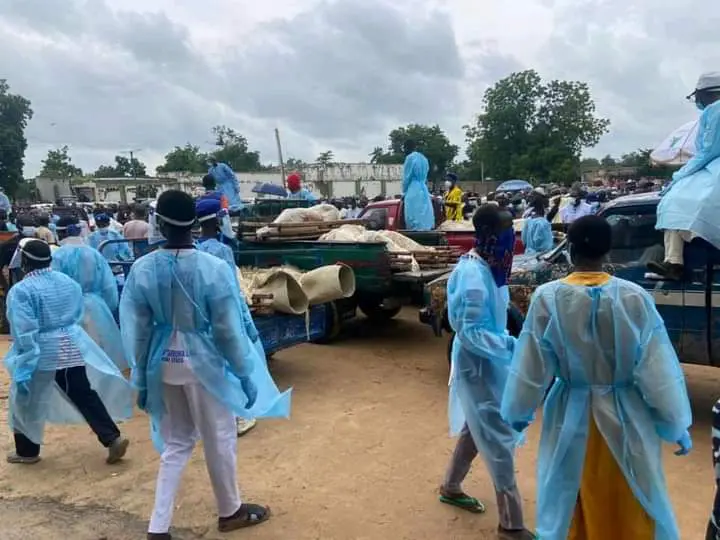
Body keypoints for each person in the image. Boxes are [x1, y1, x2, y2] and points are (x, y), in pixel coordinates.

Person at [501, 215, 692, 540]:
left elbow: (531, 367)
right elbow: (657, 370)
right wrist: (674, 423)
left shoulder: (549, 298)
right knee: (629, 493)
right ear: (608, 250)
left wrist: (517, 414)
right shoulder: (634, 297)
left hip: (570, 418)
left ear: (571, 250)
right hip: (627, 419)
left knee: (569, 495)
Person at [120, 190, 291, 539]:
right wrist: (244, 374)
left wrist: (140, 375)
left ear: (160, 224)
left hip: (161, 362)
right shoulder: (212, 268)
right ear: (195, 224)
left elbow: (136, 330)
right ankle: (230, 511)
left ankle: (158, 526)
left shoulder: (142, 268)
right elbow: (228, 330)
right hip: (203, 363)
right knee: (219, 437)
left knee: (177, 443)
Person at [441, 205, 534, 540]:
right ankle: (511, 525)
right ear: (491, 237)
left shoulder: (490, 267)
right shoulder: (473, 277)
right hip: (478, 363)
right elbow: (469, 332)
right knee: (497, 436)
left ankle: (450, 486)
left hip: (490, 360)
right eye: (507, 235)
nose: (512, 243)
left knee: (476, 427)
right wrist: (512, 346)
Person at [4, 238, 132, 465]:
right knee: (84, 394)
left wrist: (24, 360)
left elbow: (24, 330)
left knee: (25, 401)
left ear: (24, 261)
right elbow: (75, 314)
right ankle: (112, 437)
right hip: (71, 346)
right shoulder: (67, 282)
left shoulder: (21, 291)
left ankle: (27, 451)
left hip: (41, 352)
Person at [196, 198, 259, 437]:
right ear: (219, 219)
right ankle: (238, 415)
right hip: (223, 312)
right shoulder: (222, 250)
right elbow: (232, 288)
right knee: (231, 362)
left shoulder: (195, 248)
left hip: (201, 317)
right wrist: (245, 321)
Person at [651, 72, 720, 281]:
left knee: (676, 201)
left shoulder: (716, 110)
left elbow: (708, 150)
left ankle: (675, 260)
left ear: (706, 94)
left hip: (712, 165)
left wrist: (680, 175)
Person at [52, 218, 129, 372]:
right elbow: (109, 286)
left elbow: (55, 287)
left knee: (76, 356)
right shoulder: (93, 254)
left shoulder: (57, 256)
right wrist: (107, 306)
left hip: (69, 308)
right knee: (102, 351)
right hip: (96, 305)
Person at [402, 140, 434, 231]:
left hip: (413, 188)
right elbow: (426, 174)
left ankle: (414, 229)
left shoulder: (409, 158)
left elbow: (407, 176)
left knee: (413, 212)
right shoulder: (424, 158)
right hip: (423, 188)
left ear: (407, 148)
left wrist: (404, 191)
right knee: (424, 211)